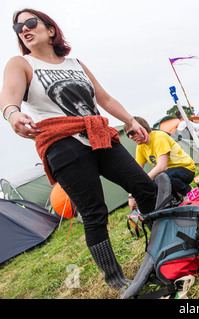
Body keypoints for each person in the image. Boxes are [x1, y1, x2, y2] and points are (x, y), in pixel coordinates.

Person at [0, 9, 158, 292]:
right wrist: (13, 114)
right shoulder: (21, 63)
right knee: (94, 211)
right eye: (18, 27)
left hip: (98, 134)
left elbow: (104, 98)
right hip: (61, 142)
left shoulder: (75, 63)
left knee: (144, 187)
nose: (24, 28)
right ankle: (116, 279)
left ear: (50, 30)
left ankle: (161, 248)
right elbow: (9, 97)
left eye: (31, 22)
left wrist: (130, 121)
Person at [124, 116, 196, 208]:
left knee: (161, 177)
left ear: (142, 128)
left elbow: (162, 166)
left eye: (132, 132)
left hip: (186, 169)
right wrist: (131, 195)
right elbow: (136, 173)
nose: (130, 137)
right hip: (169, 173)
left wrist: (143, 182)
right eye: (128, 135)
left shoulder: (158, 137)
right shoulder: (140, 147)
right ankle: (176, 201)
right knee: (155, 183)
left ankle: (189, 192)